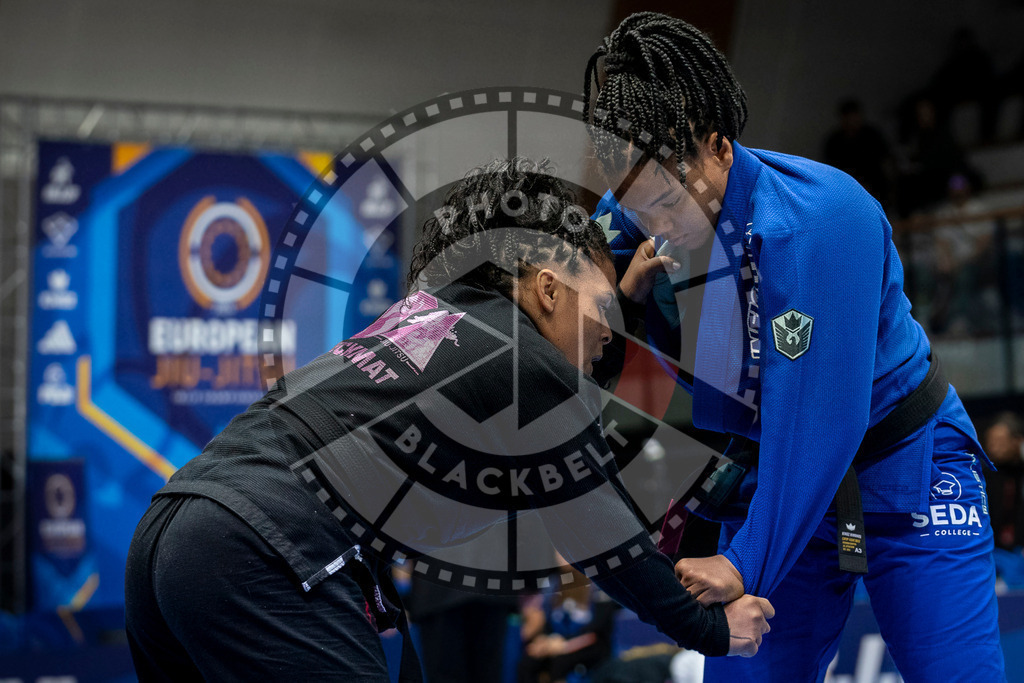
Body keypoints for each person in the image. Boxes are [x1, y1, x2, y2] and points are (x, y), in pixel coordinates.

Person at [124, 158, 773, 682]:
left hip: (171, 532)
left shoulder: (439, 314)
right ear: (547, 288)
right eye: (601, 310)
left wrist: (613, 298)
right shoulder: (524, 361)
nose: (609, 336)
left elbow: (564, 393)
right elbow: (599, 532)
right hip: (264, 544)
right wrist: (711, 628)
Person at [581, 13, 1005, 682]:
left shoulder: (821, 223)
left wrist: (743, 561)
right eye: (641, 209)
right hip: (775, 478)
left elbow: (818, 425)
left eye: (667, 202)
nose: (657, 225)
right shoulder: (636, 206)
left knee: (957, 674)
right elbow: (555, 298)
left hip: (904, 462)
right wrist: (615, 294)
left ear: (719, 147)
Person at [984, 412, 1024, 551]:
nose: (993, 448)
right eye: (991, 442)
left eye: (1000, 442)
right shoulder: (983, 475)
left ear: (1017, 441)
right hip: (993, 549)